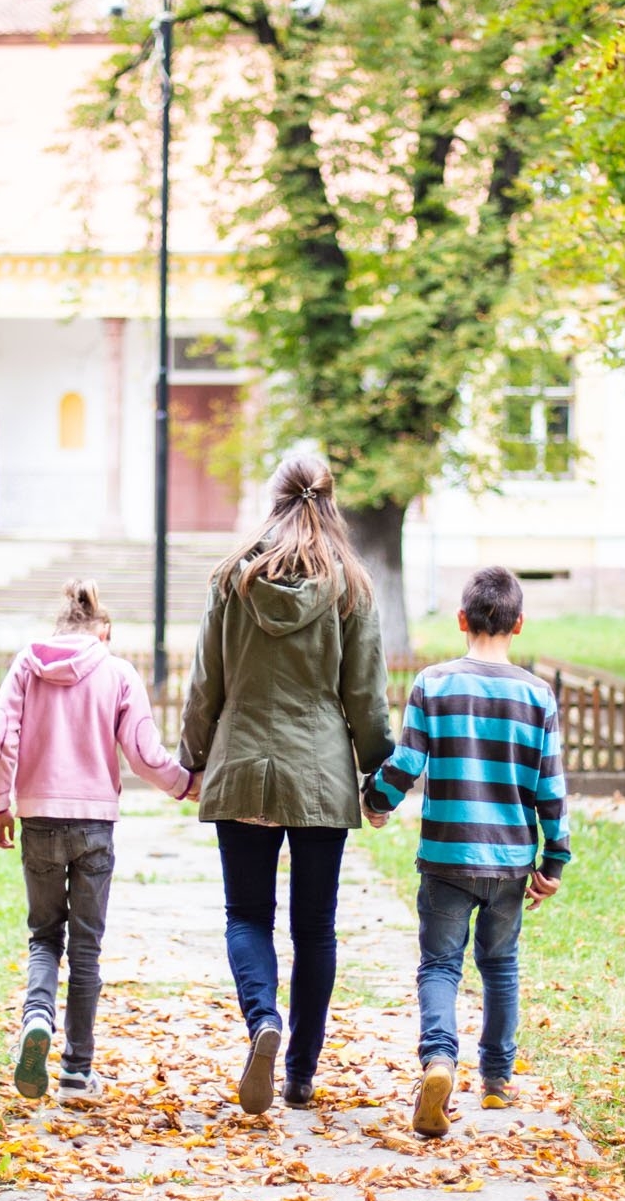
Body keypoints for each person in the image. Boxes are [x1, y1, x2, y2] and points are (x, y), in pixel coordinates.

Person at [178, 454, 394, 1114]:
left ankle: (262, 1020)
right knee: (315, 929)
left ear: (271, 499)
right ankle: (299, 1072)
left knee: (246, 914)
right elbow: (366, 695)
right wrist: (378, 771)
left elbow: (205, 681)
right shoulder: (351, 586)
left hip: (242, 765)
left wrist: (192, 756)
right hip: (321, 776)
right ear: (330, 502)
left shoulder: (230, 580)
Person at [362, 566, 569, 1139]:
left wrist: (375, 799)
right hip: (509, 861)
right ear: (518, 624)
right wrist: (554, 861)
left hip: (447, 856)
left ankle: (438, 1061)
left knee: (440, 965)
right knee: (500, 966)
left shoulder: (433, 684)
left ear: (461, 620)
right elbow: (550, 787)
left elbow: (406, 763)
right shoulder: (537, 695)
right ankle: (498, 1080)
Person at [0, 580, 197, 1103]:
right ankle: (77, 1070)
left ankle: (36, 1020)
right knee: (86, 949)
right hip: (95, 826)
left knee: (43, 936)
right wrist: (184, 785)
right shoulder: (117, 671)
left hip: (38, 822)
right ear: (103, 631)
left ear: (60, 628)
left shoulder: (26, 666)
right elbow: (144, 753)